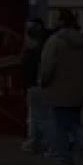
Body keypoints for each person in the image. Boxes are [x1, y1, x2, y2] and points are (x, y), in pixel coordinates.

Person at [39, 8, 83, 165]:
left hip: (57, 91)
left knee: (59, 127)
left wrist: (43, 83)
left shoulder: (55, 42)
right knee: (73, 123)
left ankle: (65, 161)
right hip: (79, 90)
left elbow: (47, 68)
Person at [21, 18, 54, 156]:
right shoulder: (45, 44)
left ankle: (46, 144)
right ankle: (35, 142)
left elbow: (29, 66)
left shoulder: (35, 47)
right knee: (36, 116)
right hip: (37, 84)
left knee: (40, 117)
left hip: (37, 84)